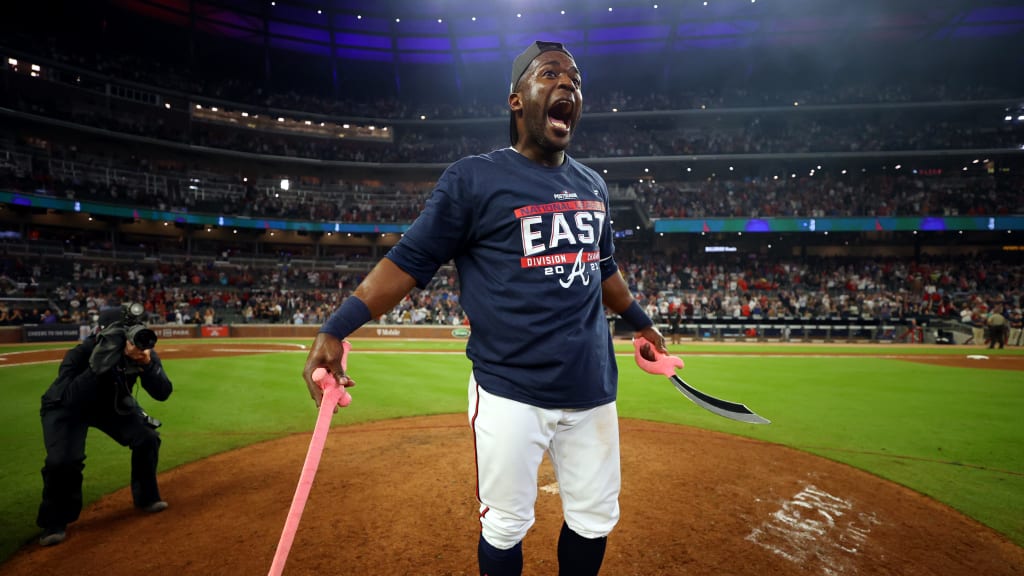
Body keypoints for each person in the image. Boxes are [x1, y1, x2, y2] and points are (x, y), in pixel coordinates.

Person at [302, 40, 666, 576]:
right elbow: (408, 263)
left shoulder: (594, 185)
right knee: (505, 525)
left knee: (593, 519)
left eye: (576, 80)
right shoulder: (474, 178)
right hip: (509, 390)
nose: (568, 85)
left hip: (592, 387)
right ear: (517, 101)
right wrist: (335, 328)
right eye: (550, 75)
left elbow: (602, 268)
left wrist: (641, 323)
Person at [36, 304, 173, 546]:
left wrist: (147, 365)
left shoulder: (140, 350)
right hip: (66, 407)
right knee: (63, 461)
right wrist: (97, 367)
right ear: (101, 332)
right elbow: (70, 398)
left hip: (112, 405)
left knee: (147, 437)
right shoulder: (82, 352)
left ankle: (146, 498)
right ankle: (54, 522)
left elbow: (163, 393)